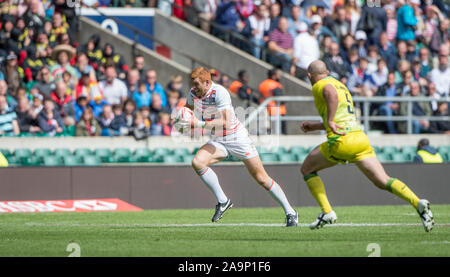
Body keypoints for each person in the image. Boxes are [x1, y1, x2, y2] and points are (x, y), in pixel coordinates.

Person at [299, 60, 434, 232]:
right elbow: (341, 118)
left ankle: (327, 212)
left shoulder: (320, 84)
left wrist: (330, 120)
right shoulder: (340, 85)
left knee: (307, 169)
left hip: (342, 142)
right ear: (326, 71)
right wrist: (316, 125)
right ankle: (418, 203)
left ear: (310, 76)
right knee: (382, 180)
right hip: (359, 138)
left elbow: (330, 95)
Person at [178, 67, 298, 226]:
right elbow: (188, 108)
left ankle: (291, 212)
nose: (194, 88)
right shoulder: (193, 93)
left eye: (197, 84)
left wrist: (197, 123)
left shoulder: (219, 92)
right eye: (192, 84)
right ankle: (223, 201)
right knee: (197, 162)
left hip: (237, 138)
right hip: (218, 140)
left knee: (262, 178)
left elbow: (226, 123)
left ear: (207, 82)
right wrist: (184, 121)